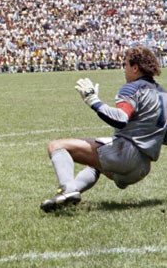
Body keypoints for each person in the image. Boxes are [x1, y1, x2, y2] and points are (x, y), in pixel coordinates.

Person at [40, 46, 167, 212]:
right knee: (95, 165)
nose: (124, 70)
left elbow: (120, 119)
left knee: (56, 146)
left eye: (126, 65)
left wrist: (92, 100)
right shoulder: (163, 94)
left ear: (135, 67)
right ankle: (68, 196)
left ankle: (68, 190)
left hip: (125, 156)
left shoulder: (132, 88)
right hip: (142, 168)